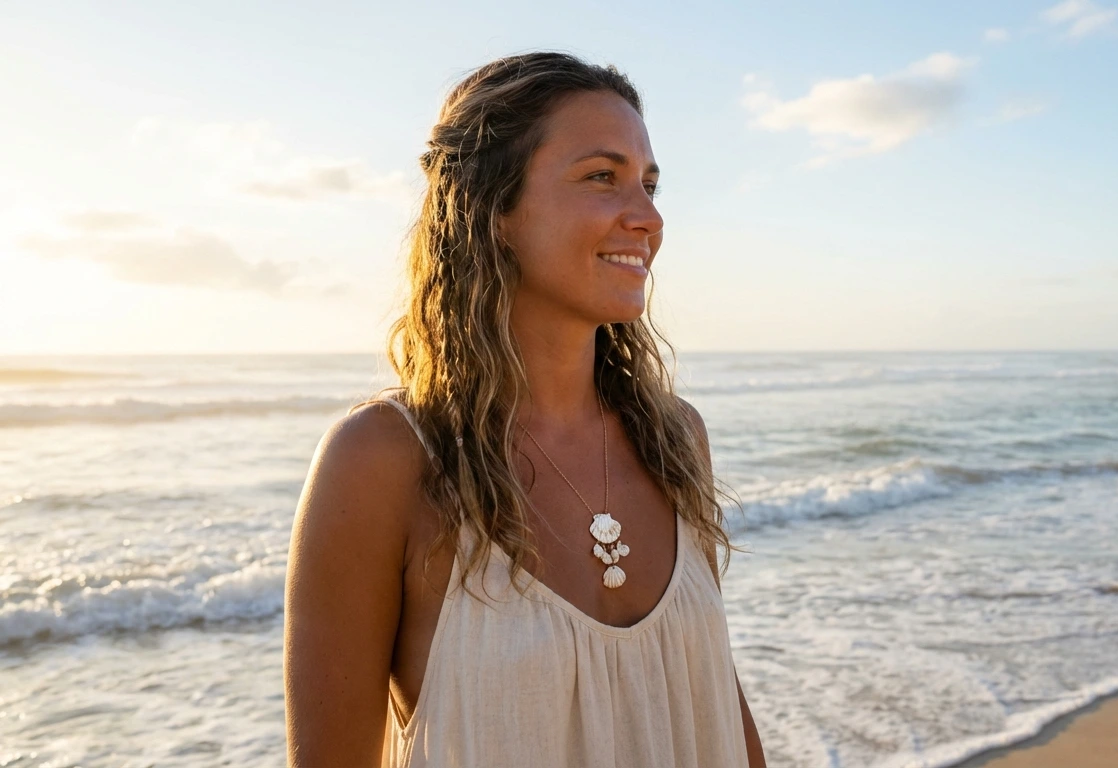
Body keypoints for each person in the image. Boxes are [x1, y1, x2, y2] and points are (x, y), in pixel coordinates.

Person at [283, 51, 767, 767]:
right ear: (493, 209)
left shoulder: (674, 439)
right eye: (603, 177)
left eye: (651, 184)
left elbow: (714, 704)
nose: (648, 217)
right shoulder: (385, 461)